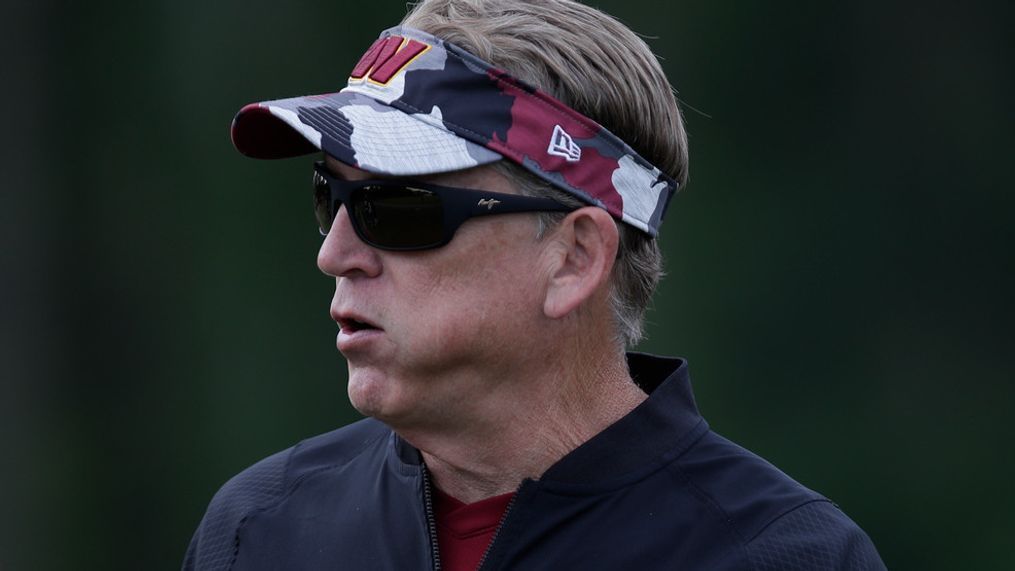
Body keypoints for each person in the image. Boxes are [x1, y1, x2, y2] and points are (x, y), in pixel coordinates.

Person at [184, 1, 886, 569]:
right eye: (327, 199)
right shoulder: (257, 530)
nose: (336, 254)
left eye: (395, 210)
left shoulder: (782, 556)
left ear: (575, 258)